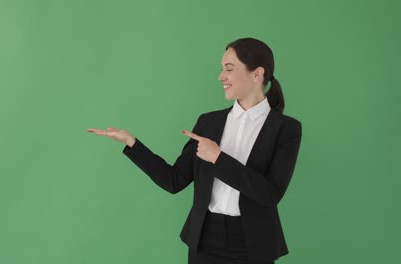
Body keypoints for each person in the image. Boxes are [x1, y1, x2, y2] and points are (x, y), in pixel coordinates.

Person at [87, 37, 302, 264]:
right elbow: (174, 180)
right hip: (205, 240)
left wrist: (217, 158)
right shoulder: (208, 122)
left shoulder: (286, 129)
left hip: (253, 243)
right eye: (222, 69)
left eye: (229, 69)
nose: (221, 76)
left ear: (257, 74)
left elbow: (270, 194)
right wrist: (132, 144)